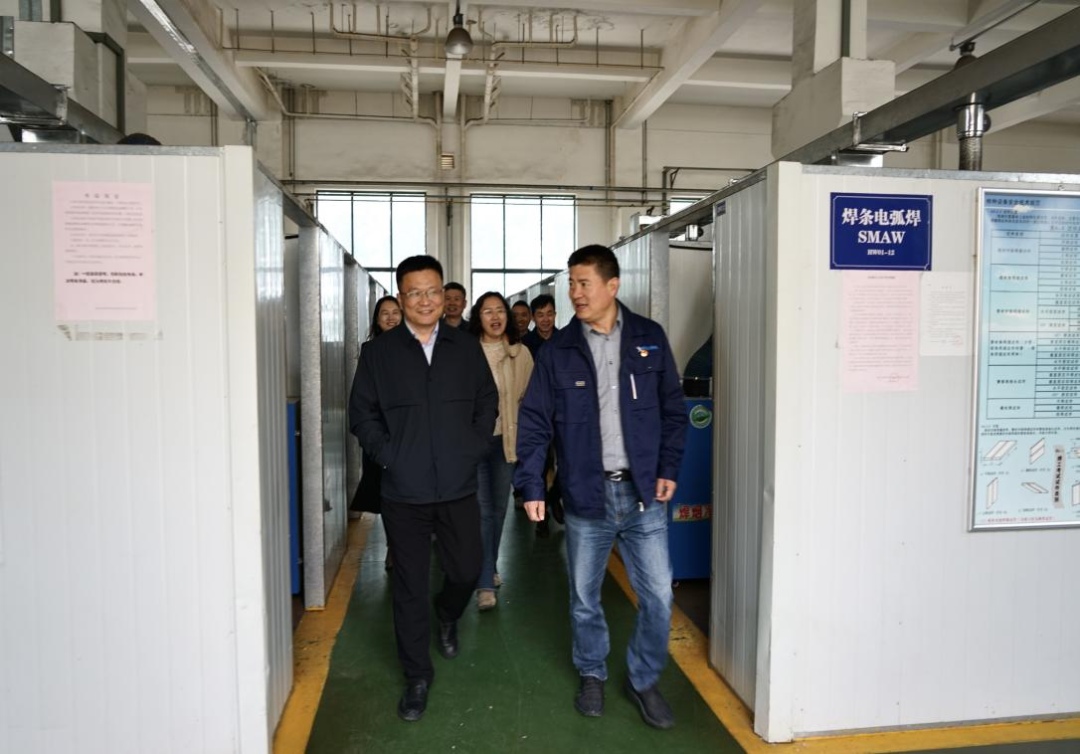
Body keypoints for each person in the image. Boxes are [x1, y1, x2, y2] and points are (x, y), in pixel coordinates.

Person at [515, 245, 687, 730]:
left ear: (612, 286)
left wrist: (668, 466)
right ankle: (592, 671)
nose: (575, 292)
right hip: (586, 497)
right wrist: (532, 485)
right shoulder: (558, 351)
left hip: (643, 495)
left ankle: (643, 678)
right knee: (584, 597)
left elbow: (674, 412)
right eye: (571, 283)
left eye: (583, 283)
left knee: (659, 597)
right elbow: (535, 422)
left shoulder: (650, 339)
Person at [349, 255, 498, 723]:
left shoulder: (464, 347)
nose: (426, 300)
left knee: (467, 569)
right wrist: (390, 456)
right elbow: (361, 414)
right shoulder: (380, 353)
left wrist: (472, 448)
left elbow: (487, 399)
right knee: (409, 586)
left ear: (444, 294)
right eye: (415, 292)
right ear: (401, 297)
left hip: (457, 485)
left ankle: (448, 613)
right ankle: (416, 676)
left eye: (433, 291)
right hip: (404, 492)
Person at [467, 292, 534, 611]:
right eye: (487, 311)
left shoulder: (521, 354)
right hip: (474, 442)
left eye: (499, 311)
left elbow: (530, 399)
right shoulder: (466, 352)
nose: (494, 316)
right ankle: (484, 584)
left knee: (498, 511)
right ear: (477, 317)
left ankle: (489, 565)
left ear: (507, 316)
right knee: (482, 512)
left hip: (506, 441)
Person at [348, 296, 402, 571]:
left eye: (395, 312)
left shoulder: (417, 347)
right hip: (380, 435)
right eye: (384, 313)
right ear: (377, 320)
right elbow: (362, 399)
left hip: (408, 432)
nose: (390, 317)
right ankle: (394, 546)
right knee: (385, 494)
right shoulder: (370, 350)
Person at [521, 293, 559, 359]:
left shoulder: (564, 340)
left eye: (549, 314)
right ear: (533, 317)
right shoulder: (524, 344)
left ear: (555, 315)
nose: (546, 319)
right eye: (540, 315)